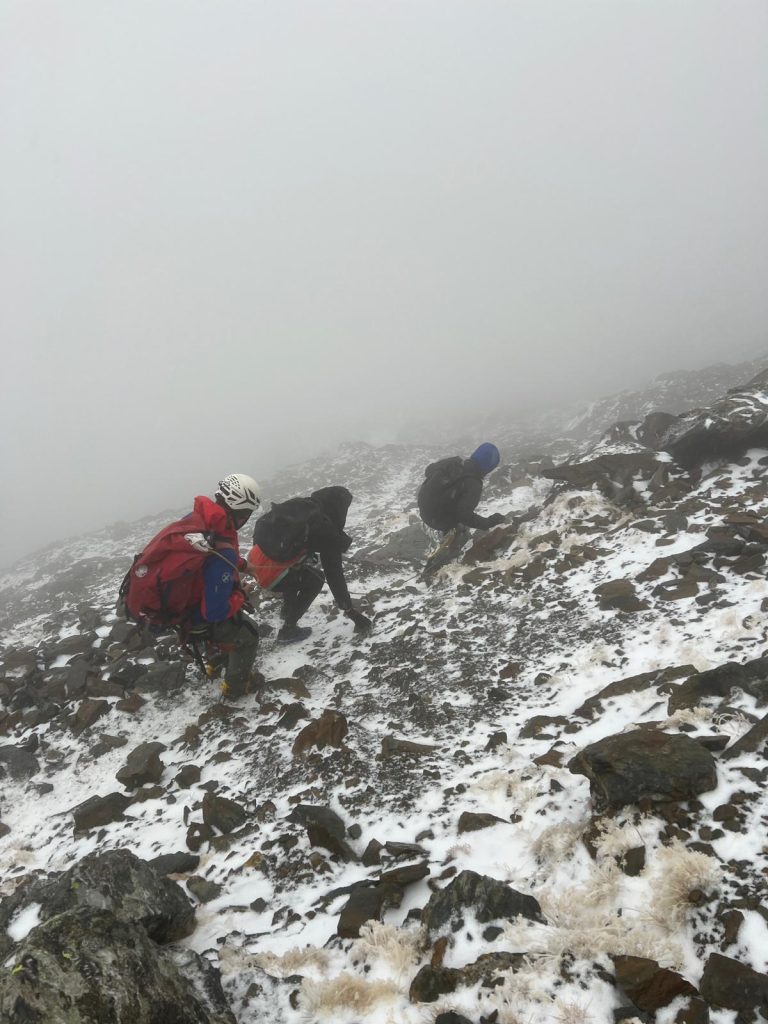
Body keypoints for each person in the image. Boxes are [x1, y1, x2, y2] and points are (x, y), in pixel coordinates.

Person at [247, 485, 372, 643]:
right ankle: (288, 629)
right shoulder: (325, 529)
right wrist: (350, 610)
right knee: (316, 580)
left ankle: (287, 610)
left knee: (297, 569)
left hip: (253, 563)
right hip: (271, 575)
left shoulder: (300, 508)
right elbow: (334, 575)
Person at [186, 474, 262, 698]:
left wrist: (242, 565)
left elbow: (213, 555)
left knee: (226, 618)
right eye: (246, 513)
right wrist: (241, 594)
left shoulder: (201, 521)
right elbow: (215, 611)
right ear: (239, 511)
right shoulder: (220, 544)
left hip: (186, 602)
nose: (246, 519)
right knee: (249, 632)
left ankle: (215, 663)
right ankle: (235, 688)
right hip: (197, 614)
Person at [417, 444, 505, 573]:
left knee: (456, 511)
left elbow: (428, 470)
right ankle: (439, 563)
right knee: (462, 532)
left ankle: (442, 533)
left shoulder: (453, 462)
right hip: (436, 519)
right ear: (488, 467)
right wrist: (489, 522)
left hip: (423, 507)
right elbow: (464, 515)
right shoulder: (473, 483)